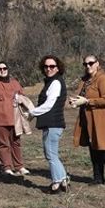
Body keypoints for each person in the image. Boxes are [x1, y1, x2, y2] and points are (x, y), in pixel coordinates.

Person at [71, 54, 105, 186]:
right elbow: (79, 95)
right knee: (93, 148)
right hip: (88, 119)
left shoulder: (103, 79)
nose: (88, 66)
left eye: (91, 63)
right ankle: (98, 178)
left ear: (97, 64)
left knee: (104, 148)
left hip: (102, 119)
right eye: (85, 64)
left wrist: (87, 101)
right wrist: (75, 100)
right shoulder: (85, 80)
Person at [23, 54, 68, 193]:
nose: (49, 69)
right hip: (53, 123)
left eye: (52, 66)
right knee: (53, 154)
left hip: (53, 123)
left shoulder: (55, 83)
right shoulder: (51, 82)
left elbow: (49, 105)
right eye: (46, 66)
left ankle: (56, 183)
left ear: (58, 67)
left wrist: (32, 112)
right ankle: (64, 180)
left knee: (50, 154)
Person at [0, 62, 28, 177]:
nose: (2, 70)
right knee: (3, 144)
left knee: (16, 143)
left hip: (14, 118)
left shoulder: (15, 83)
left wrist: (20, 101)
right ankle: (6, 167)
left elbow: (23, 97)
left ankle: (19, 166)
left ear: (8, 69)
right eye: (0, 69)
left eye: (4, 68)